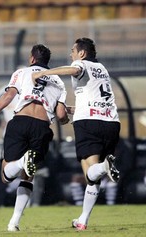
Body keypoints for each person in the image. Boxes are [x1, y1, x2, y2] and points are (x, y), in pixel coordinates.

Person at [32, 37, 121, 231]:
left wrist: (44, 72)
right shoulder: (102, 69)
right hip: (112, 122)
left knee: (90, 172)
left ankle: (105, 167)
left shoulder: (80, 63)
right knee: (94, 176)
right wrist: (72, 109)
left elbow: (74, 70)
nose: (71, 54)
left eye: (73, 50)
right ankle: (83, 220)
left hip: (89, 123)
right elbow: (94, 97)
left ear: (82, 53)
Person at [0, 44, 69, 231]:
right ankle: (14, 223)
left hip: (20, 121)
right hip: (42, 127)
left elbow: (8, 95)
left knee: (6, 175)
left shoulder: (21, 73)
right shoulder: (58, 81)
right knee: (28, 177)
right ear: (48, 61)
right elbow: (61, 115)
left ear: (32, 59)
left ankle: (21, 162)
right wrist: (66, 118)